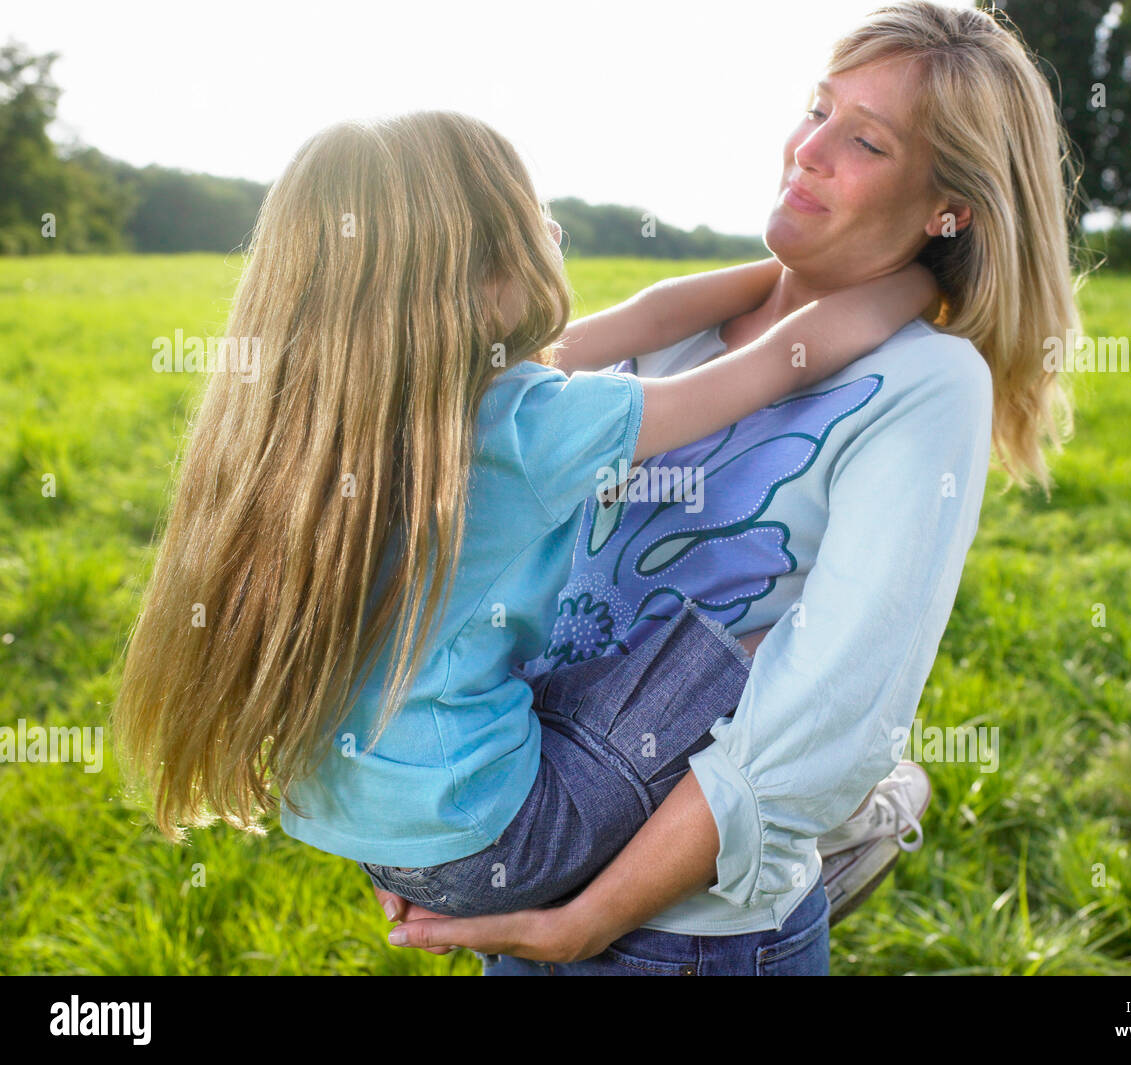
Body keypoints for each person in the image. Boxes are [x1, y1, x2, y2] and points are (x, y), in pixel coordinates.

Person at [379, 0, 1083, 975]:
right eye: (816, 108)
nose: (808, 149)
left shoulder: (926, 383)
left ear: (947, 208)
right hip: (531, 857)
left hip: (684, 943)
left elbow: (826, 706)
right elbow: (469, 457)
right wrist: (422, 814)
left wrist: (591, 920)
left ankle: (833, 837)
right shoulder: (671, 334)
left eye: (866, 141)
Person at [111, 111, 937, 919]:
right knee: (762, 643)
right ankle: (830, 835)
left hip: (374, 830)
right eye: (529, 214)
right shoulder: (528, 423)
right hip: (505, 839)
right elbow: (770, 370)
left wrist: (788, 276)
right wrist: (923, 278)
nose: (551, 225)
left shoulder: (362, 405)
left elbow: (648, 317)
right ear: (479, 283)